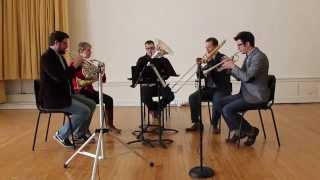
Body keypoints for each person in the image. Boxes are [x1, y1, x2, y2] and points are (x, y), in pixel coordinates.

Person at [39, 31, 95, 148]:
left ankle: (80, 133)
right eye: (64, 43)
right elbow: (59, 77)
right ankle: (61, 135)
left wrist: (79, 66)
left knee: (91, 104)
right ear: (56, 43)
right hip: (53, 98)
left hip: (65, 94)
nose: (67, 46)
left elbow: (67, 76)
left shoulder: (60, 57)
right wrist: (75, 66)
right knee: (84, 111)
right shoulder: (47, 58)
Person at [218, 31, 270, 146]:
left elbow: (246, 77)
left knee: (227, 109)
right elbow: (240, 76)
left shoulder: (259, 57)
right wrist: (228, 68)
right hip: (246, 93)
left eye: (239, 45)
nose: (238, 48)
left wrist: (233, 66)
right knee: (220, 103)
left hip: (256, 96)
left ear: (247, 44)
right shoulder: (249, 56)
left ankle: (251, 131)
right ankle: (238, 131)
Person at [71, 42, 121, 133]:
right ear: (81, 50)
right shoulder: (75, 63)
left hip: (89, 91)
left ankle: (110, 125)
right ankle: (83, 130)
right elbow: (78, 79)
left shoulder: (89, 63)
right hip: (79, 92)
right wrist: (92, 77)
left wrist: (102, 71)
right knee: (88, 105)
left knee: (109, 100)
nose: (90, 52)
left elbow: (103, 79)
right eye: (88, 50)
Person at [186, 37, 232, 133]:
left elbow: (224, 72)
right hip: (209, 89)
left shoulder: (223, 58)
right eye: (206, 47)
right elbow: (200, 77)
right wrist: (199, 65)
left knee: (217, 100)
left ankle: (214, 124)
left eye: (209, 47)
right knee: (192, 97)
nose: (207, 50)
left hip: (221, 89)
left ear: (216, 47)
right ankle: (197, 123)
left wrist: (211, 62)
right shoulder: (206, 59)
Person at [136, 40, 177, 120]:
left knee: (170, 96)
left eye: (152, 48)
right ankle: (155, 109)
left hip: (160, 84)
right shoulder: (141, 60)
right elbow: (137, 74)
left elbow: (168, 73)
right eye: (147, 48)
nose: (150, 50)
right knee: (144, 97)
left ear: (154, 48)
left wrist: (161, 57)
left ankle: (156, 109)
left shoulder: (161, 59)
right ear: (145, 49)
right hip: (147, 86)